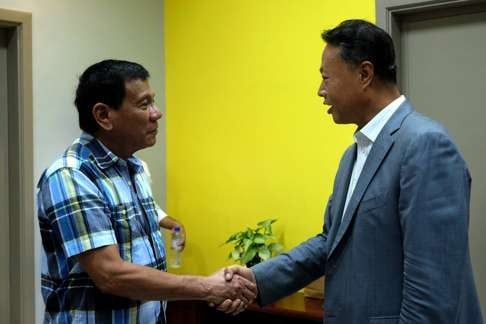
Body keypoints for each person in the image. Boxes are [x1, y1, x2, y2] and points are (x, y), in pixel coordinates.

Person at [223, 19, 484, 323]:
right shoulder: (353, 155)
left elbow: (431, 292)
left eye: (326, 78)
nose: (320, 91)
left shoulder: (426, 145)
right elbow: (329, 242)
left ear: (364, 74)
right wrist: (257, 279)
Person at [37, 59, 255, 323]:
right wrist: (208, 287)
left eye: (154, 101)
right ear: (104, 115)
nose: (157, 113)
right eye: (144, 104)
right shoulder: (72, 175)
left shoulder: (135, 167)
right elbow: (110, 274)